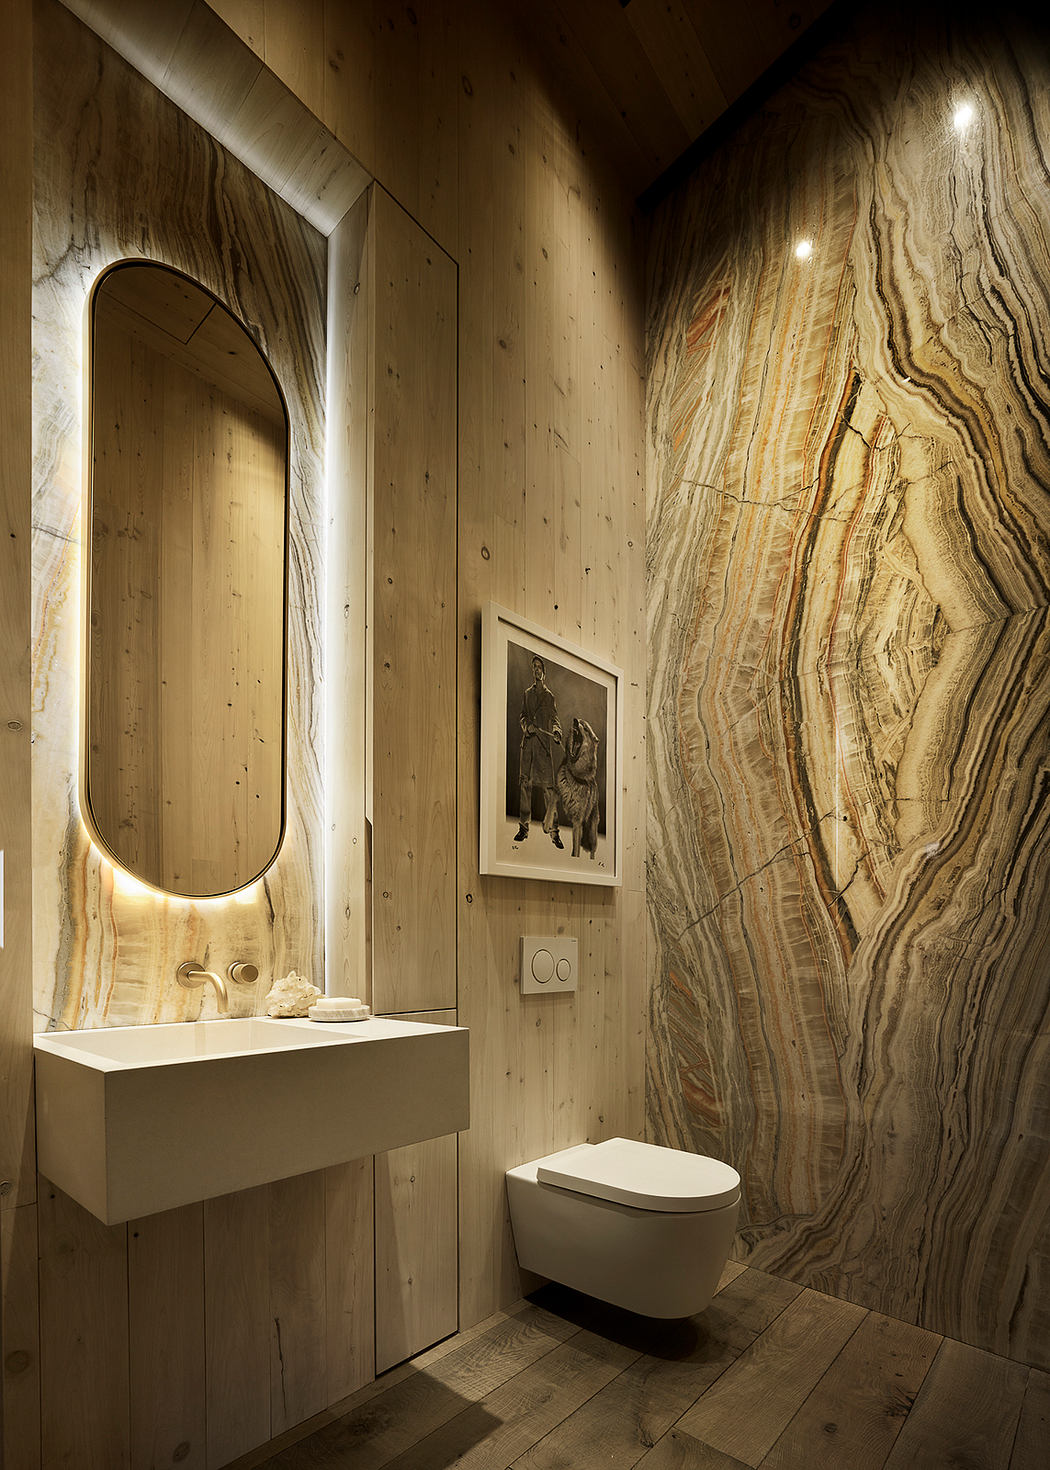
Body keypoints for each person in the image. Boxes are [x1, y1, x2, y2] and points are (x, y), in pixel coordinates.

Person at [515, 654, 563, 848]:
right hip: (528, 748)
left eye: (539, 667)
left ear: (544, 672)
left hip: (544, 748)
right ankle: (523, 828)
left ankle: (554, 832)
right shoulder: (527, 694)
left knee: (549, 791)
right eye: (533, 667)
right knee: (525, 786)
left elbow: (555, 719)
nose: (536, 670)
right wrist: (527, 726)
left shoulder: (549, 696)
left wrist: (557, 732)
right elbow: (523, 716)